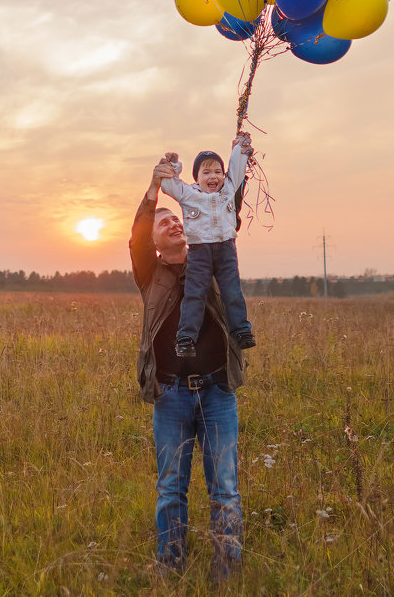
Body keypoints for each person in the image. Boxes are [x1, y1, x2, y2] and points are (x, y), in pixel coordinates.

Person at [129, 155, 247, 578]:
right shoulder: (150, 273)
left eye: (177, 220)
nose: (175, 224)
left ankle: (227, 572)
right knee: (170, 491)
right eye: (165, 224)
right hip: (171, 395)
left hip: (217, 391)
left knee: (226, 490)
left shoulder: (213, 259)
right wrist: (154, 188)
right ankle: (171, 567)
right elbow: (138, 235)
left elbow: (225, 208)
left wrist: (239, 159)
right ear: (156, 242)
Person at [160, 134, 256, 358]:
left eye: (217, 172)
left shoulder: (229, 189)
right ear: (196, 177)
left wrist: (241, 146)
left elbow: (238, 166)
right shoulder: (189, 194)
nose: (213, 176)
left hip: (226, 249)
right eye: (206, 172)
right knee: (195, 294)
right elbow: (168, 184)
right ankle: (185, 339)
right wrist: (172, 166)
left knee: (232, 291)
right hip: (199, 252)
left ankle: (241, 331)